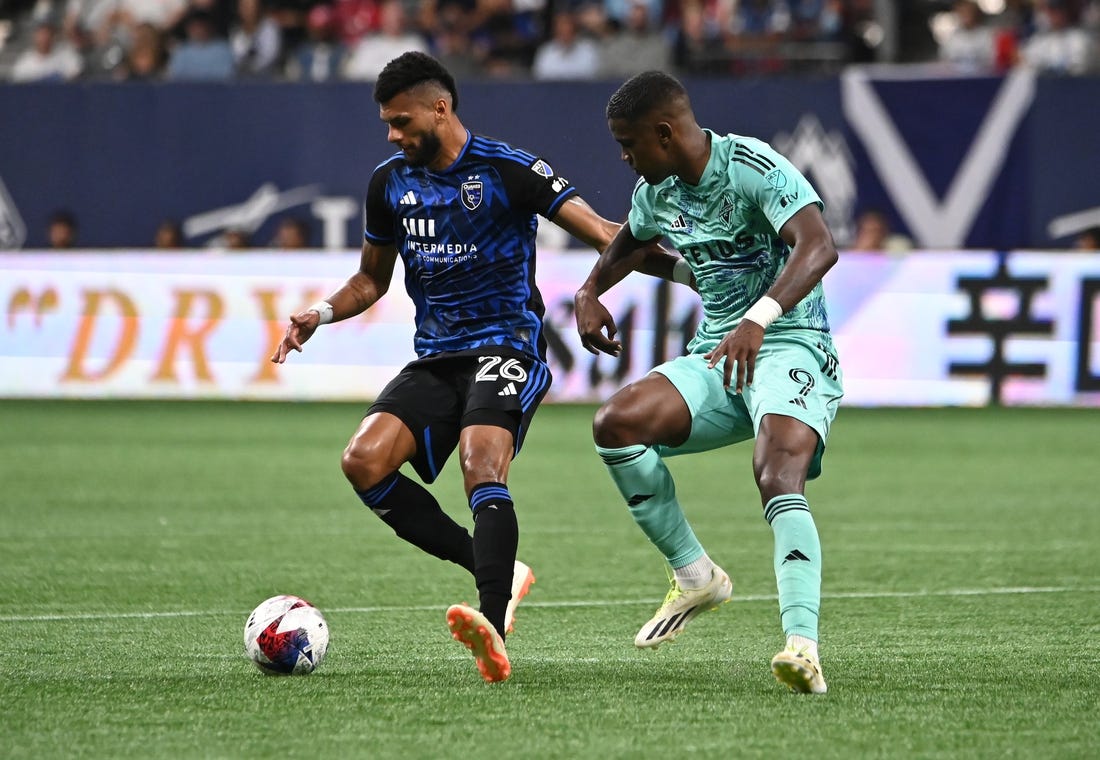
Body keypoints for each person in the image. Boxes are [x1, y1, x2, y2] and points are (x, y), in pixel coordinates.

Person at [270, 52, 677, 683]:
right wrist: (318, 315)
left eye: (402, 122)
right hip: (437, 356)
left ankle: (491, 623)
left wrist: (684, 265)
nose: (392, 136)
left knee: (479, 461)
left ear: (441, 108)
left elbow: (604, 231)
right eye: (386, 124)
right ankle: (499, 569)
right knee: (363, 463)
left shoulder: (507, 169)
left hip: (507, 346)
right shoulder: (388, 184)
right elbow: (370, 280)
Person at [573, 71, 844, 695]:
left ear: (664, 133)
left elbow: (819, 246)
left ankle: (803, 647)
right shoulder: (657, 190)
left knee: (777, 473)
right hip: (718, 355)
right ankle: (695, 575)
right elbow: (631, 246)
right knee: (616, 424)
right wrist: (589, 291)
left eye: (629, 142)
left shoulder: (753, 167)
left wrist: (757, 319)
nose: (624, 156)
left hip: (791, 342)